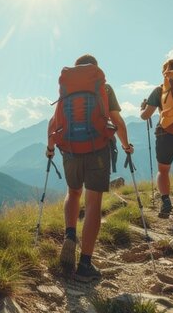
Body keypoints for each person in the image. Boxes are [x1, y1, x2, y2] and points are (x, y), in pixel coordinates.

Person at [46, 54, 133, 282]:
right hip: (97, 149)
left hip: (71, 149)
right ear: (96, 70)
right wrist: (126, 145)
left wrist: (50, 148)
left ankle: (70, 235)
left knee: (73, 193)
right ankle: (85, 263)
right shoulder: (104, 88)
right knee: (93, 202)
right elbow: (118, 121)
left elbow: (53, 122)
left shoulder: (67, 89)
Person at [139, 59, 173, 233]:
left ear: (165, 73)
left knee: (163, 170)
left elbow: (145, 116)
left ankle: (165, 200)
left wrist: (144, 108)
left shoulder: (159, 90)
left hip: (165, 134)